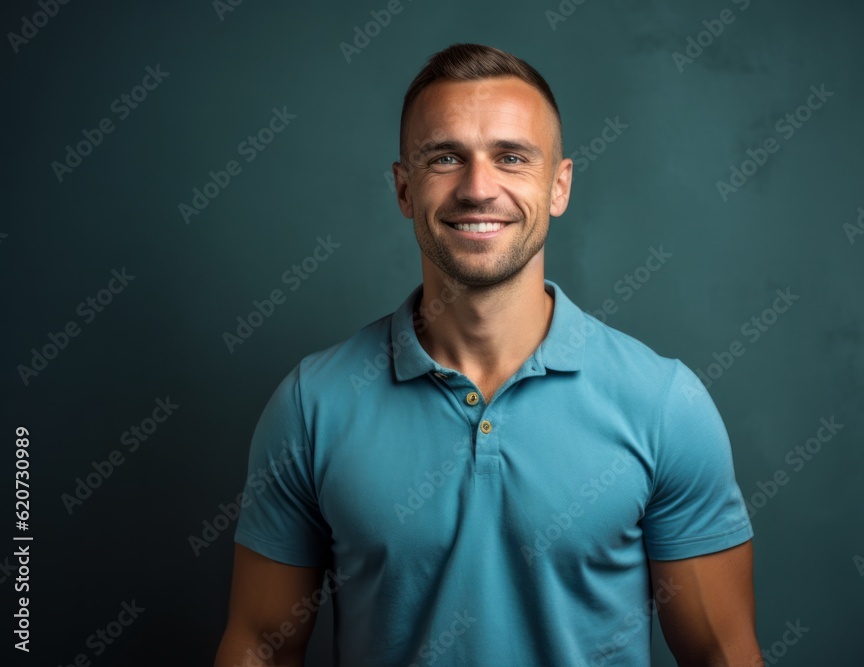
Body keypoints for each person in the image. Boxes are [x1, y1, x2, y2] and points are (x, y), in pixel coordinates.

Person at [215, 42, 762, 667]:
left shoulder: (665, 405)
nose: (479, 189)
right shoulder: (312, 404)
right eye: (445, 157)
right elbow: (260, 647)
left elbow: (723, 658)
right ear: (403, 189)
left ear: (559, 187)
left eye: (512, 157)